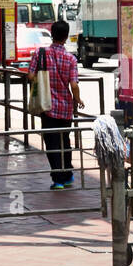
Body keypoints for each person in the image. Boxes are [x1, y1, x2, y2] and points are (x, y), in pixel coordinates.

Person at [26, 19, 83, 190]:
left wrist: (43, 81)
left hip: (47, 105)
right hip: (65, 107)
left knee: (51, 142)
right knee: (65, 140)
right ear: (66, 37)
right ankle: (67, 175)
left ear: (52, 34)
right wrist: (77, 99)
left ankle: (58, 179)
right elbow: (73, 85)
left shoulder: (40, 53)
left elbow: (30, 76)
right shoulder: (71, 59)